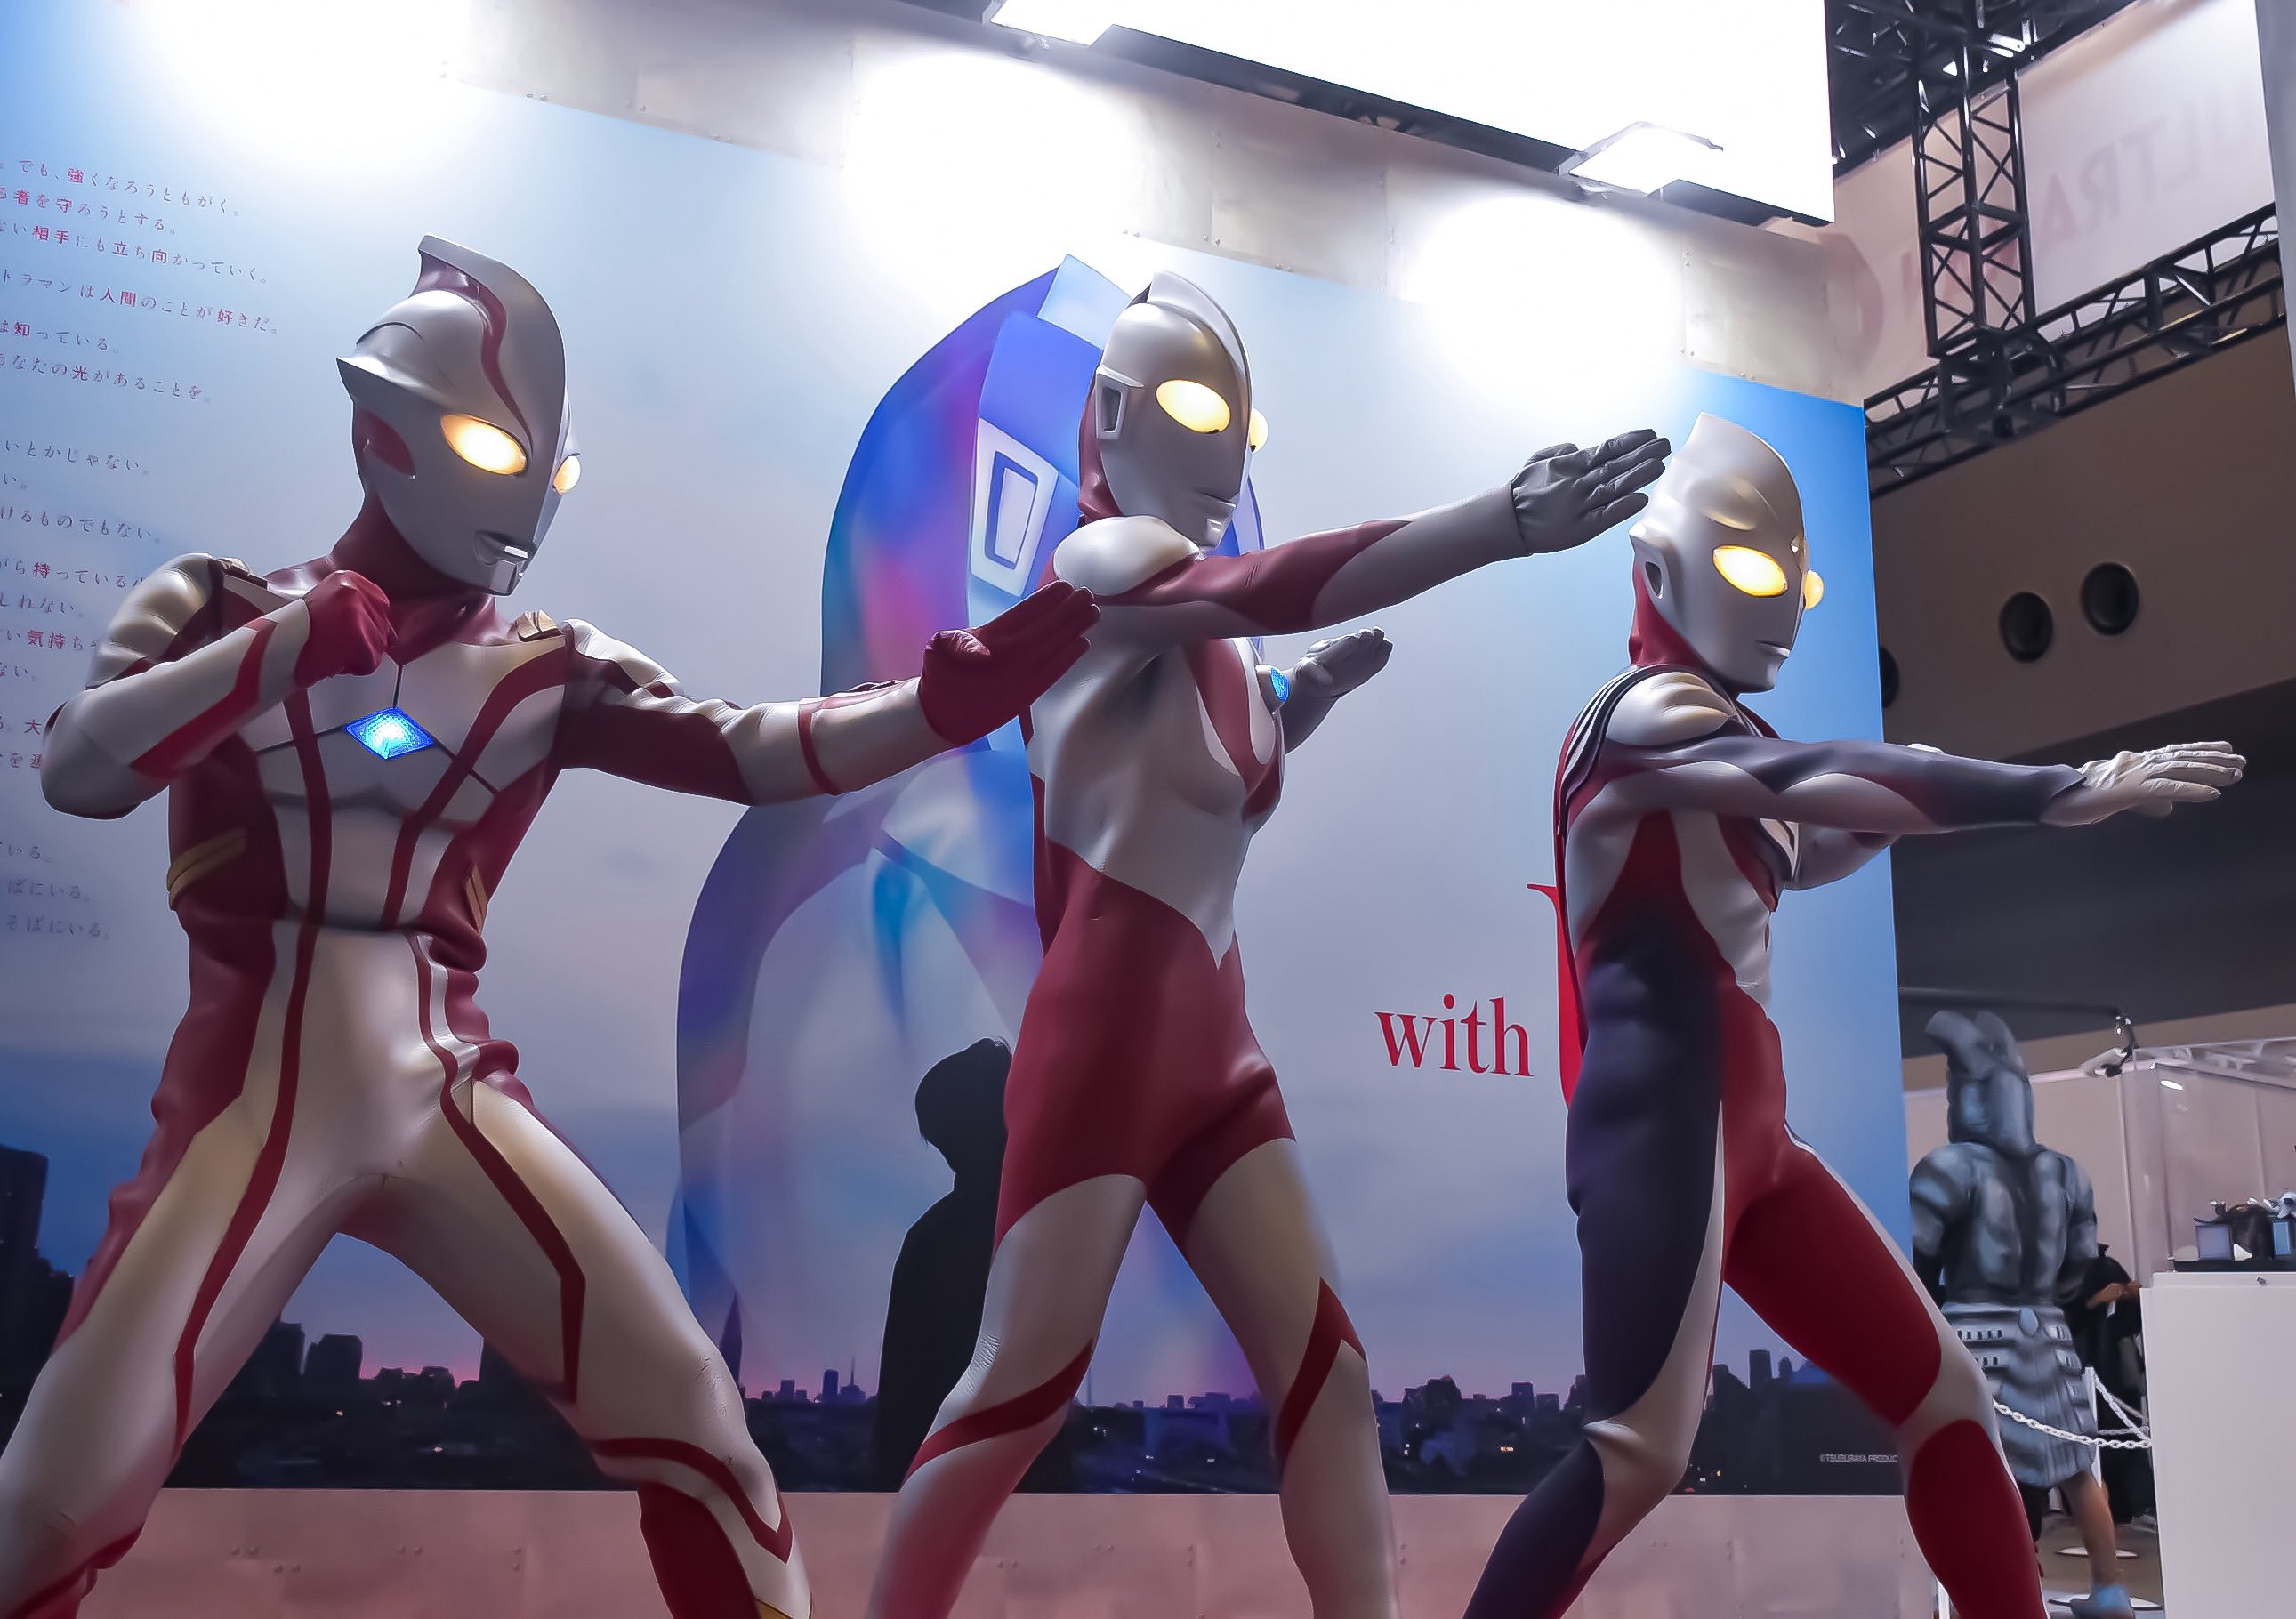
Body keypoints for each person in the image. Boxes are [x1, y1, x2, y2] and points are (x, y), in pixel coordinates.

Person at [0, 237, 1094, 1619]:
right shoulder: (214, 602)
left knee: (695, 1417)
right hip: (249, 1088)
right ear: (380, 434)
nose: (521, 494)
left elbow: (753, 750)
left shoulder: (549, 667)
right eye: (483, 444)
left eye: (548, 469)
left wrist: (936, 708)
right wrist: (278, 653)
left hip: (443, 1081)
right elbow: (82, 766)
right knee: (54, 1496)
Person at [866, 271, 1669, 1619]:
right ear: (1109, 416)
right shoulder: (1097, 568)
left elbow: (1227, 713)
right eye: (1191, 411)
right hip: (1107, 1045)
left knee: (1327, 1378)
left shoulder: (1209, 640)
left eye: (1238, 426)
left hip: (1217, 1054)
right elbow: (1273, 583)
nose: (1222, 450)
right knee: (1015, 1390)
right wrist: (1500, 523)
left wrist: (1309, 698)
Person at [1465, 413, 2243, 1619]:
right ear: (1660, 569)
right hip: (1664, 1134)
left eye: (1800, 581)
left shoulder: (1716, 738)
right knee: (1636, 1451)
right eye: (1749, 566)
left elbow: (1812, 827)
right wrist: (2053, 788)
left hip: (1753, 1143)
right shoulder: (1642, 719)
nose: (1783, 604)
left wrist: (1903, 799)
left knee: (1946, 1404)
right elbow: (1818, 783)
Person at [1913, 1010, 2131, 1618]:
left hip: (1972, 1332)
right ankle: (2109, 1588)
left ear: (1966, 1096)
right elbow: (2079, 1264)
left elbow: (1916, 1259)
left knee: (1977, 1476)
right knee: (2076, 1468)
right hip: (2049, 1330)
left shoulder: (1948, 1167)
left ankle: (1989, 1595)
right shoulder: (2066, 1172)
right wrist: (2044, 1300)